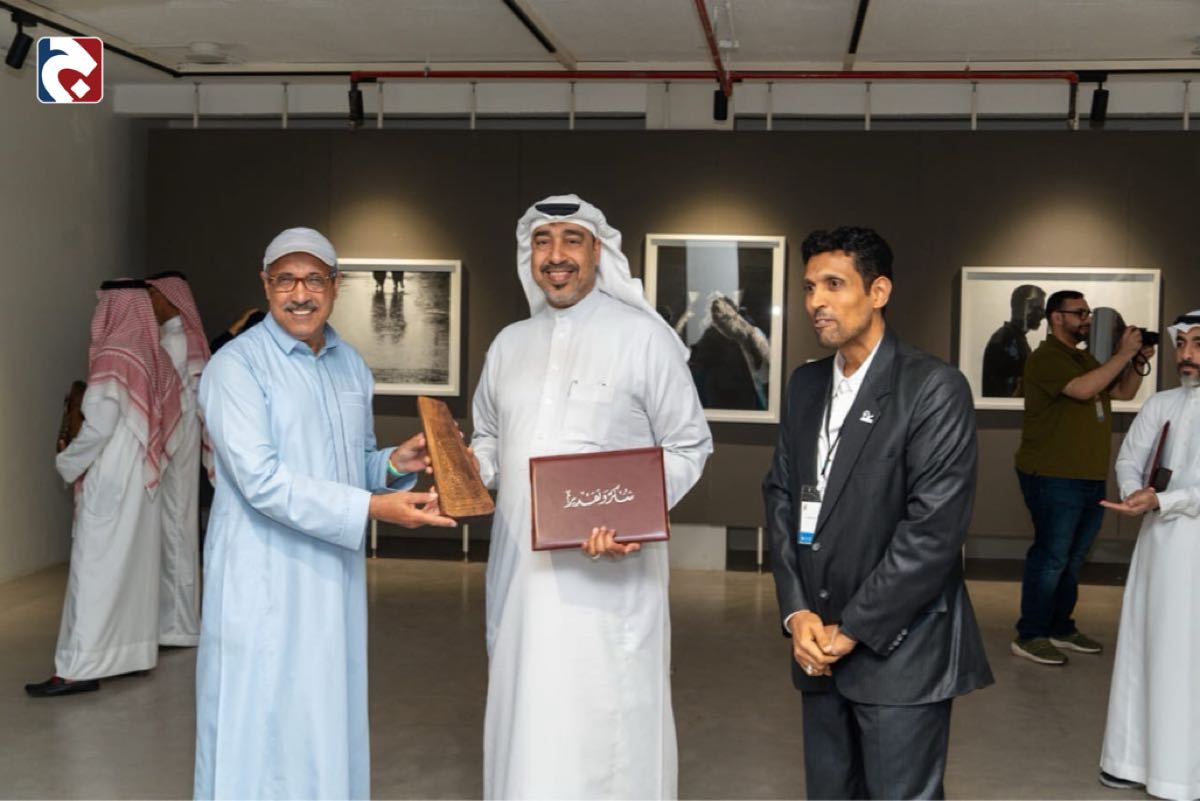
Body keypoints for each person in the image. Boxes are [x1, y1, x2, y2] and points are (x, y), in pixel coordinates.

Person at [193, 227, 457, 800]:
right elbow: (261, 482)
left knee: (323, 720)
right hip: (264, 579)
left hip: (332, 579)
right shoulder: (236, 368)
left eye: (314, 279)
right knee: (260, 727)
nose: (300, 294)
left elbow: (349, 464)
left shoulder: (350, 365)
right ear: (265, 285)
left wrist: (394, 464)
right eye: (285, 279)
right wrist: (373, 508)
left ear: (336, 286)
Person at [471, 195, 712, 799]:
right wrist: (460, 466)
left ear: (598, 252)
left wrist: (633, 515)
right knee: (528, 722)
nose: (556, 255)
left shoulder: (644, 339)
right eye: (542, 241)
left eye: (571, 240)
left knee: (606, 730)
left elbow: (689, 444)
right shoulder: (508, 345)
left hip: (609, 583)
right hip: (520, 581)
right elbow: (489, 440)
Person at [763, 226, 993, 799]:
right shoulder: (805, 384)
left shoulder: (932, 387)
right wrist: (797, 614)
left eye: (834, 284)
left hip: (901, 648)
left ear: (879, 291)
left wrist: (853, 630)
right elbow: (782, 497)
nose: (816, 301)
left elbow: (933, 532)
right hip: (817, 646)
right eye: (809, 287)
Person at [26, 279, 184, 697]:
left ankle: (78, 668)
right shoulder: (155, 356)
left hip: (112, 480)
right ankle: (129, 655)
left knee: (93, 571)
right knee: (133, 568)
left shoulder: (114, 356)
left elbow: (98, 428)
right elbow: (175, 415)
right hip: (143, 480)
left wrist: (67, 462)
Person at [1011, 290, 1153, 666]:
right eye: (1079, 313)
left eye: (1088, 313)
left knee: (1073, 559)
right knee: (1051, 558)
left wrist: (1137, 361)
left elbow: (1122, 392)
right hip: (1053, 474)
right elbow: (1083, 389)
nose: (1087, 320)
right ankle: (1031, 634)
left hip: (1088, 475)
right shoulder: (1046, 357)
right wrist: (1122, 354)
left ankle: (1061, 626)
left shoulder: (1084, 357)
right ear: (1056, 317)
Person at [1097, 310, 1200, 799]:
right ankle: (1130, 760)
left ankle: (1181, 774)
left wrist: (1165, 500)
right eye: (1181, 345)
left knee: (1187, 657)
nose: (1186, 355)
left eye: (1197, 345)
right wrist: (1135, 492)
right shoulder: (1161, 403)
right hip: (1158, 548)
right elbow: (1129, 459)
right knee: (1146, 646)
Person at [147, 271, 211, 648]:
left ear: (169, 298)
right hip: (180, 441)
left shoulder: (174, 341)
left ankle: (178, 625)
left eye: (152, 296)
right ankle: (175, 621)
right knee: (176, 530)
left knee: (174, 531)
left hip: (174, 443)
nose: (149, 304)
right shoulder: (182, 338)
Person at [982, 283, 1046, 397]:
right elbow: (1011, 392)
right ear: (1024, 307)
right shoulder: (1006, 340)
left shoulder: (1014, 339)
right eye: (1038, 308)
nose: (1043, 315)